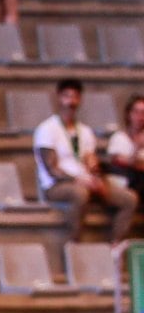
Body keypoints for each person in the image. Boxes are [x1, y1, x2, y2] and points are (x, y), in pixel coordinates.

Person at [36, 78, 136, 242]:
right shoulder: (47, 129)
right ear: (59, 98)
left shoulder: (85, 131)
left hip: (85, 180)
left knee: (129, 199)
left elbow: (91, 161)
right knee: (80, 194)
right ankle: (75, 244)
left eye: (75, 97)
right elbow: (51, 169)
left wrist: (97, 180)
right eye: (67, 96)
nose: (71, 102)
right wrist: (78, 180)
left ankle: (115, 247)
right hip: (57, 185)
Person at [105, 95, 144, 199]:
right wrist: (137, 148)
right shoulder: (119, 138)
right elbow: (123, 163)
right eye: (136, 112)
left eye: (143, 113)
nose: (140, 117)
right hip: (126, 179)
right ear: (128, 114)